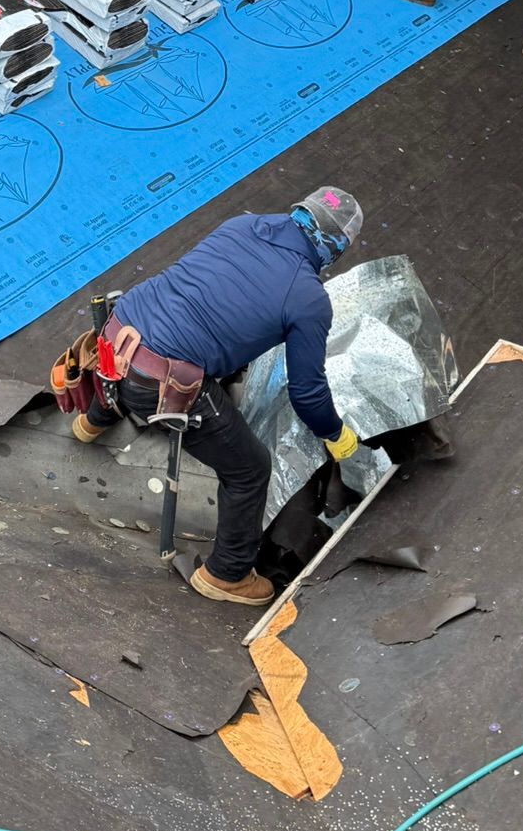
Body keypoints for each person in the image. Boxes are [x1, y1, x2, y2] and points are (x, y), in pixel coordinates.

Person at [68, 187, 364, 606]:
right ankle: (227, 574)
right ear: (335, 248)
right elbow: (307, 392)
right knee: (250, 469)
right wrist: (334, 433)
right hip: (162, 381)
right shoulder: (307, 298)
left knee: (153, 350)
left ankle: (93, 419)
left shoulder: (242, 224)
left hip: (116, 335)